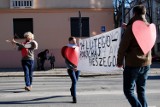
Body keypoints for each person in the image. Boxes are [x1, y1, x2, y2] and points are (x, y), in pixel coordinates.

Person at [117, 5, 152, 107]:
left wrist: (119, 62)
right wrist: (128, 27)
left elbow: (123, 47)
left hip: (133, 63)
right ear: (144, 13)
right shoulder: (149, 27)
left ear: (134, 14)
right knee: (141, 91)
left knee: (128, 91)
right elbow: (140, 35)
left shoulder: (131, 28)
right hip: (146, 63)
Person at [64, 37, 80, 103]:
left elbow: (80, 58)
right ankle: (74, 97)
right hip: (70, 69)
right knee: (74, 81)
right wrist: (72, 67)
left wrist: (79, 66)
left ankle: (71, 89)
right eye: (73, 41)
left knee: (76, 80)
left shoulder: (77, 48)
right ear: (70, 41)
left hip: (78, 67)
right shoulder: (67, 48)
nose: (75, 42)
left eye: (75, 41)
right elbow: (66, 61)